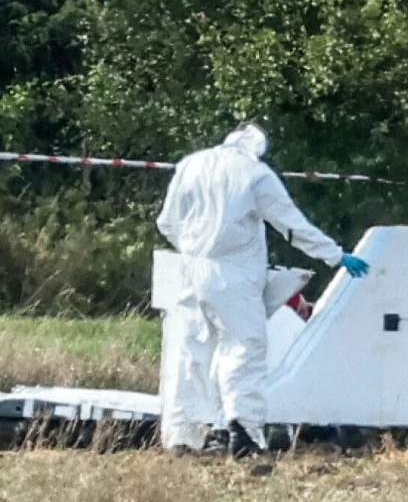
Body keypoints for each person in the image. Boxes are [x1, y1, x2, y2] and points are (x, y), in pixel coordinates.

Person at [155, 123, 370, 458]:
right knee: (244, 349)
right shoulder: (256, 174)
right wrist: (335, 254)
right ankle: (245, 435)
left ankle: (184, 436)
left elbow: (167, 222)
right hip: (235, 273)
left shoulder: (190, 165)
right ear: (258, 147)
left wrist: (195, 248)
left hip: (189, 269)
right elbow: (292, 225)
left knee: (192, 352)